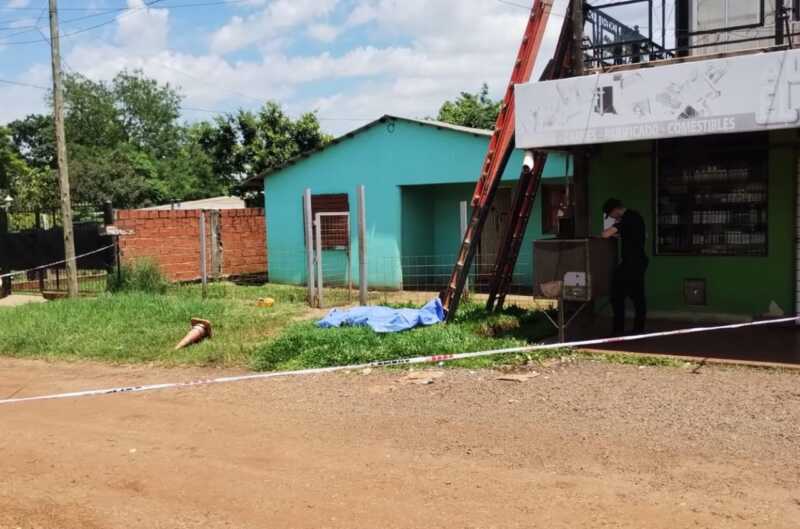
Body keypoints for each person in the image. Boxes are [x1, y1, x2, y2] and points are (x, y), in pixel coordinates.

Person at [601, 198, 648, 336]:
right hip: (637, 261)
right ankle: (638, 328)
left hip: (631, 263)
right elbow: (631, 234)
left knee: (617, 295)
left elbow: (605, 234)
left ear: (615, 210)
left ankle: (619, 329)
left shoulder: (628, 218)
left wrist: (613, 229)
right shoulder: (634, 216)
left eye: (611, 215)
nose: (612, 218)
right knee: (637, 296)